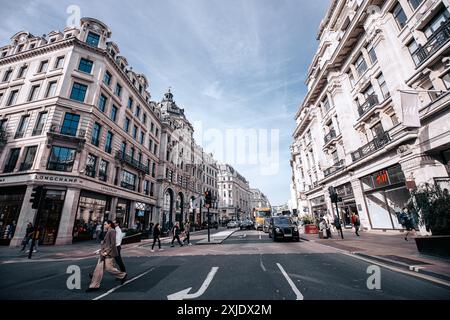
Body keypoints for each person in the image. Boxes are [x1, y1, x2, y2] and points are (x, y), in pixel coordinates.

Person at [86, 221, 127, 292]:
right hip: (103, 253)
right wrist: (99, 250)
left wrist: (106, 252)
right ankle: (94, 286)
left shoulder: (112, 231)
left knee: (109, 268)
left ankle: (122, 275)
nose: (104, 225)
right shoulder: (108, 231)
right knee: (98, 270)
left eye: (105, 224)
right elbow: (107, 243)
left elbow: (113, 244)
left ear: (109, 224)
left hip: (108, 254)